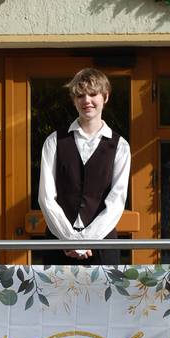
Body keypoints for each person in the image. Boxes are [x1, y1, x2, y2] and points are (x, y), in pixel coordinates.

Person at [38, 67, 131, 265]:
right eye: (80, 95)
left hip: (103, 246)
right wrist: (69, 239)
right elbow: (46, 197)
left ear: (105, 97)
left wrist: (88, 240)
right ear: (74, 100)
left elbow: (117, 201)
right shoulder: (54, 141)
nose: (86, 100)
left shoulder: (120, 146)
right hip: (59, 246)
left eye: (93, 94)